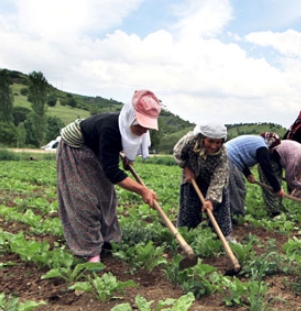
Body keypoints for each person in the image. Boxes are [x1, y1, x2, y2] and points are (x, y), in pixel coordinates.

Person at [56, 89, 160, 263]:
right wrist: (142, 190)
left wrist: (128, 157)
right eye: (140, 125)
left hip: (95, 148)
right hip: (75, 148)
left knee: (106, 196)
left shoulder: (137, 129)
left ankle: (108, 241)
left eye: (147, 126)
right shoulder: (110, 128)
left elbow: (126, 144)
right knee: (83, 199)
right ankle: (89, 252)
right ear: (130, 118)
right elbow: (111, 171)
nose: (143, 130)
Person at [173, 122, 236, 243]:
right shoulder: (190, 140)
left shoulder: (222, 153)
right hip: (192, 172)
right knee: (189, 202)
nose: (214, 146)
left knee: (220, 203)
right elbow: (177, 152)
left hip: (212, 177)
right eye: (210, 141)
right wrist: (186, 168)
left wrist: (210, 199)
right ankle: (185, 233)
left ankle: (223, 235)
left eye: (218, 142)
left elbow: (219, 178)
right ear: (202, 138)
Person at [225, 132, 284, 223]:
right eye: (273, 148)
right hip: (228, 159)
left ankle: (227, 214)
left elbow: (240, 153)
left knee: (230, 188)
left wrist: (248, 173)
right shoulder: (262, 148)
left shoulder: (257, 141)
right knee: (238, 189)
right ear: (270, 144)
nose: (272, 151)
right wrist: (277, 188)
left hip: (228, 156)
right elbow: (267, 169)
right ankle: (237, 218)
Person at [259, 139, 301, 218]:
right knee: (272, 186)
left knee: (277, 184)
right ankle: (273, 213)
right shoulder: (296, 158)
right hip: (268, 159)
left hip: (277, 159)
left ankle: (277, 208)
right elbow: (290, 179)